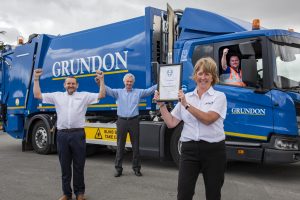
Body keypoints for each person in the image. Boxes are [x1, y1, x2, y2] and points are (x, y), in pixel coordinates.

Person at [154, 57, 227, 200]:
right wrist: (161, 104)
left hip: (213, 151)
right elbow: (171, 123)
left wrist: (186, 105)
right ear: (195, 76)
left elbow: (208, 119)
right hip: (189, 150)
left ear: (213, 77)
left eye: (207, 74)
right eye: (200, 74)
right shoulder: (186, 97)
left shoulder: (220, 97)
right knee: (184, 194)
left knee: (213, 194)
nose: (203, 77)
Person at [33, 69, 105, 200]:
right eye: (68, 83)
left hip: (78, 134)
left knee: (79, 166)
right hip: (62, 135)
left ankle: (79, 193)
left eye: (73, 84)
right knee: (65, 167)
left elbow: (101, 95)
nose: (70, 85)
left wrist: (102, 81)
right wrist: (36, 79)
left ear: (77, 85)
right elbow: (38, 95)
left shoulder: (84, 96)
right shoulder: (57, 96)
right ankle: (67, 194)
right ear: (64, 85)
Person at [98, 73, 156, 177]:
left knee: (135, 146)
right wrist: (101, 81)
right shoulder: (118, 92)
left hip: (134, 121)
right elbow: (107, 89)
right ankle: (118, 169)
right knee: (120, 146)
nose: (129, 83)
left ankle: (136, 168)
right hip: (122, 121)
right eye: (127, 81)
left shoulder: (138, 92)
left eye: (130, 81)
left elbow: (149, 91)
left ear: (133, 82)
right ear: (124, 82)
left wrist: (162, 82)